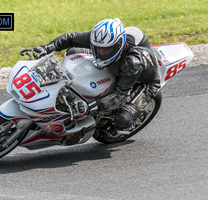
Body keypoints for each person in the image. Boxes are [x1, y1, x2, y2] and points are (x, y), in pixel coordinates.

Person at [32, 18, 161, 134]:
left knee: (123, 121)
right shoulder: (100, 40)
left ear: (118, 45)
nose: (100, 53)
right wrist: (47, 48)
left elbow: (120, 95)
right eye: (97, 48)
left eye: (106, 50)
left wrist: (90, 106)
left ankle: (114, 126)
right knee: (73, 52)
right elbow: (71, 38)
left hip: (145, 82)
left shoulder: (132, 63)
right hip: (119, 61)